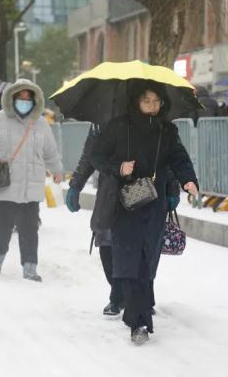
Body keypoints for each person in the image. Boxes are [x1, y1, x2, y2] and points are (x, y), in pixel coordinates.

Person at [92, 81, 198, 345]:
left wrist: (188, 180)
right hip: (124, 204)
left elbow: (179, 158)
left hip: (154, 203)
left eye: (156, 101)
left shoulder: (167, 130)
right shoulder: (117, 127)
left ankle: (136, 312)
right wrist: (119, 167)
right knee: (128, 261)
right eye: (146, 101)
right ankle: (139, 322)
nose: (152, 106)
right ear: (136, 102)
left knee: (146, 260)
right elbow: (96, 156)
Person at [67, 125, 181, 317]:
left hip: (146, 190)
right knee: (106, 244)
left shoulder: (153, 118)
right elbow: (90, 155)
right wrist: (75, 185)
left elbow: (168, 157)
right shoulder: (102, 121)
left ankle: (142, 297)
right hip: (111, 191)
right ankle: (119, 295)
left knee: (144, 247)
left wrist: (172, 188)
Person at [0, 79, 63, 282]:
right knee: (1, 227)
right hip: (4, 184)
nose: (24, 101)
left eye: (28, 98)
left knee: (30, 228)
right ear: (11, 99)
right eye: (20, 98)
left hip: (31, 186)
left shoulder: (40, 124)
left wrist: (57, 169)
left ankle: (30, 266)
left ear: (35, 100)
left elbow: (51, 151)